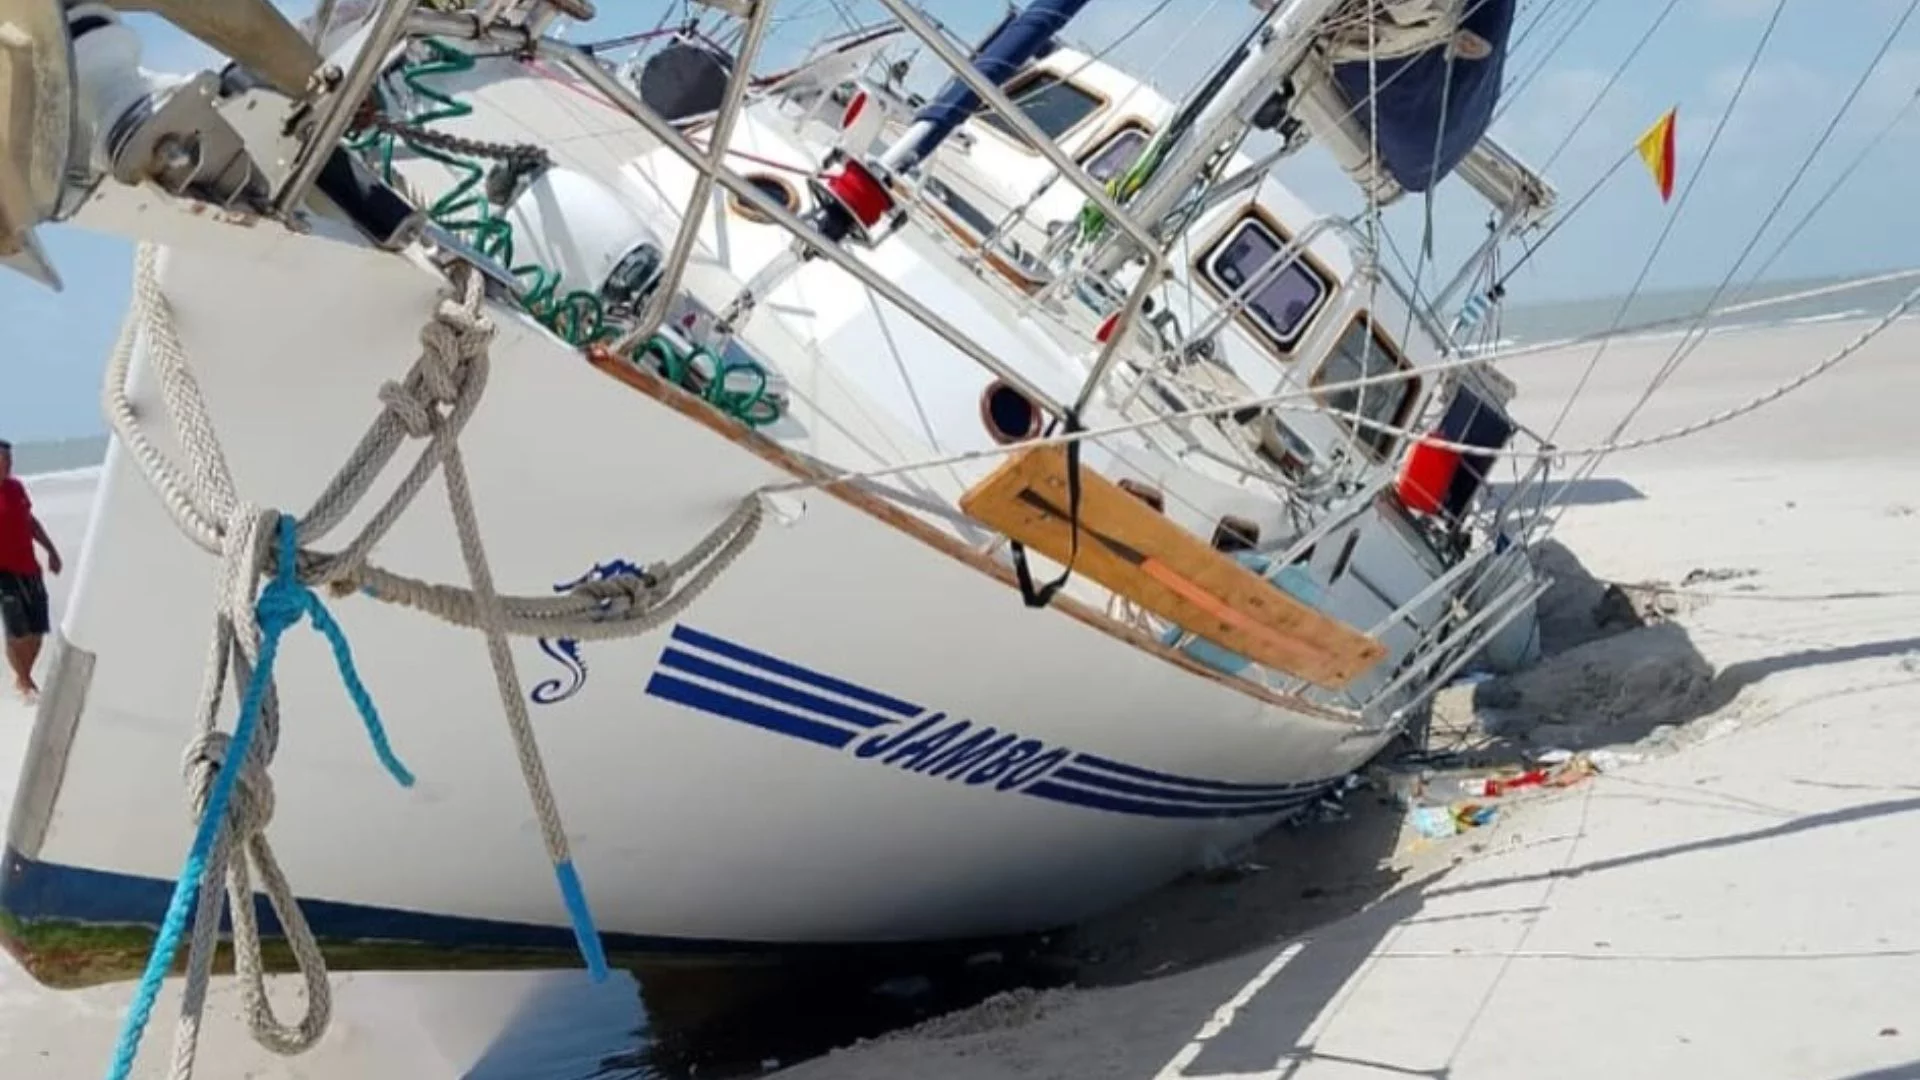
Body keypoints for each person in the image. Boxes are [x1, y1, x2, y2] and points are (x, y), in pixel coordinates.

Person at [0, 439, 62, 701]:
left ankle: (23, 678)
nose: (8, 466)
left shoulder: (15, 488)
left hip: (29, 567)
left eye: (10, 461)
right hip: (3, 572)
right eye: (3, 461)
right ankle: (25, 684)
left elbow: (29, 521)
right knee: (18, 631)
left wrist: (51, 550)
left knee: (37, 631)